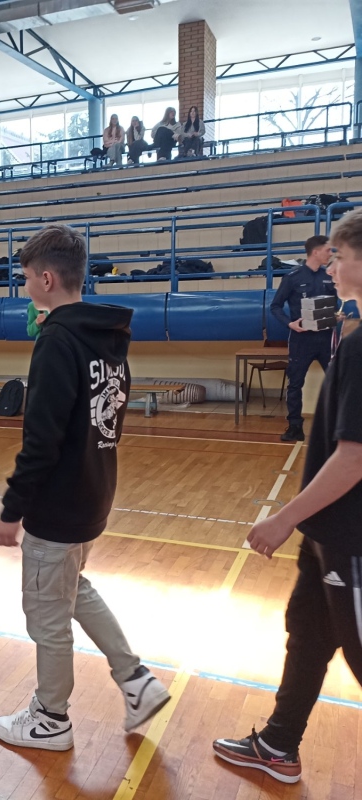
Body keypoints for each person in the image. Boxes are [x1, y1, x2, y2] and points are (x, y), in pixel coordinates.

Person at [0, 223, 170, 751]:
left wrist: (13, 509)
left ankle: (51, 718)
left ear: (46, 279)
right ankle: (135, 679)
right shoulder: (107, 336)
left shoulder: (57, 341)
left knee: (46, 616)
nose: (25, 287)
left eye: (27, 278)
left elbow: (41, 439)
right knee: (72, 590)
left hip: (59, 505)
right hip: (94, 493)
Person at [212, 208, 362, 785]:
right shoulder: (350, 336)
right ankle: (278, 745)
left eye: (342, 257)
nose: (333, 268)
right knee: (308, 633)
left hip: (350, 536)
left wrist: (283, 519)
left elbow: (354, 457)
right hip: (326, 531)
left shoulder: (361, 348)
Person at [270, 235, 336, 442]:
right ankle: (295, 427)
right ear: (315, 252)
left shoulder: (329, 276)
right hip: (302, 339)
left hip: (326, 338)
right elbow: (275, 306)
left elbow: (334, 303)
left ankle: (338, 428)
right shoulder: (293, 277)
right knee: (295, 383)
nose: (331, 254)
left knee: (337, 382)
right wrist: (289, 323)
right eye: (328, 250)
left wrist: (336, 315)